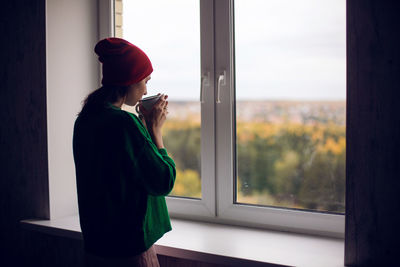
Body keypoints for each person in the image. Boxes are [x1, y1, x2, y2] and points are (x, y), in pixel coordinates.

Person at [72, 38, 176, 267]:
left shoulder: (85, 120)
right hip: (128, 250)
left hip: (97, 246)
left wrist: (143, 128)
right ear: (130, 81)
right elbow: (162, 180)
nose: (146, 89)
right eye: (145, 81)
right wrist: (156, 131)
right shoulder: (124, 124)